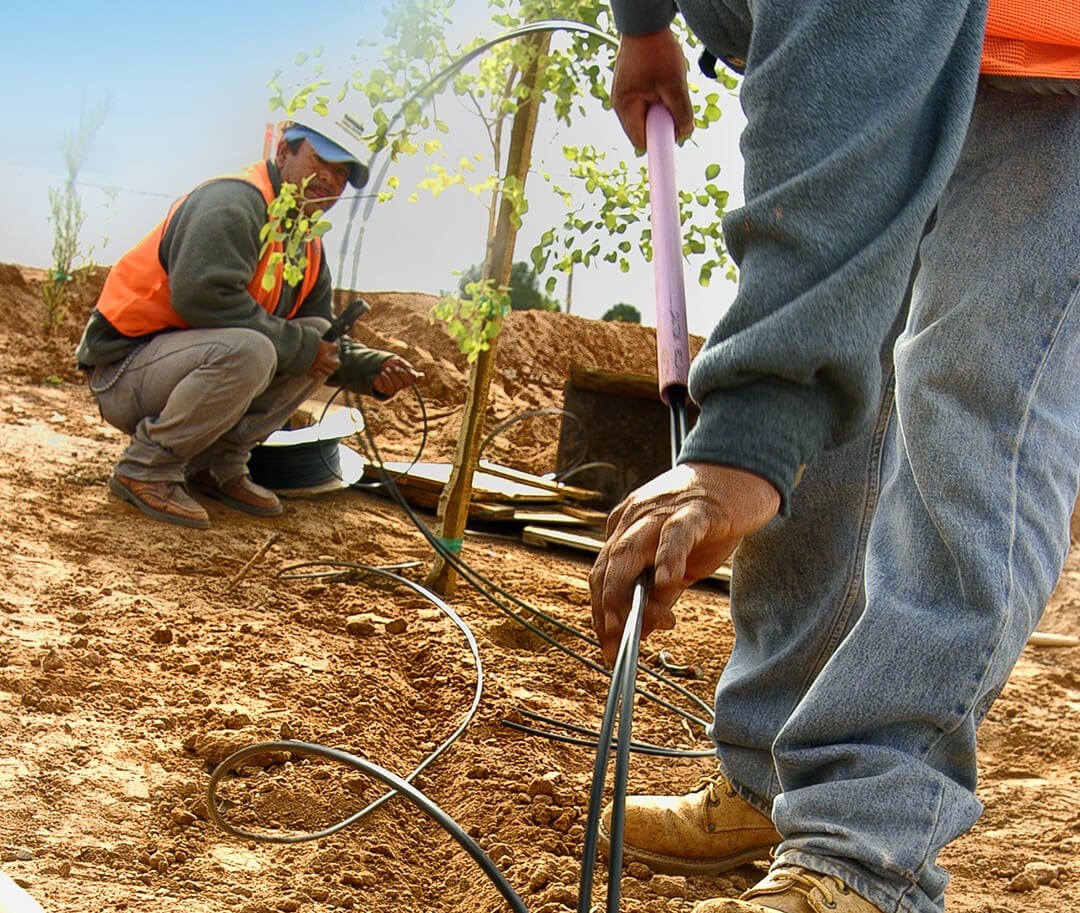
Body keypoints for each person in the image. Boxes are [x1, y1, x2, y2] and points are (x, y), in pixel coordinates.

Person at [589, 2, 1080, 912]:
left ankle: (864, 843)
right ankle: (767, 776)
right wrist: (645, 24)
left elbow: (846, 52)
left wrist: (746, 435)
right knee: (843, 397)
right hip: (926, 51)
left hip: (1060, 59)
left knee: (975, 386)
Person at [76, 120, 420, 529]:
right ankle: (147, 467)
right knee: (256, 349)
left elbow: (316, 339)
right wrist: (304, 348)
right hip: (124, 369)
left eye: (342, 173)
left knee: (313, 337)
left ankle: (216, 464)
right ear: (283, 153)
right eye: (319, 159)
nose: (329, 177)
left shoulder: (305, 239)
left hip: (187, 366)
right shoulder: (234, 200)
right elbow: (204, 298)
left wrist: (370, 369)